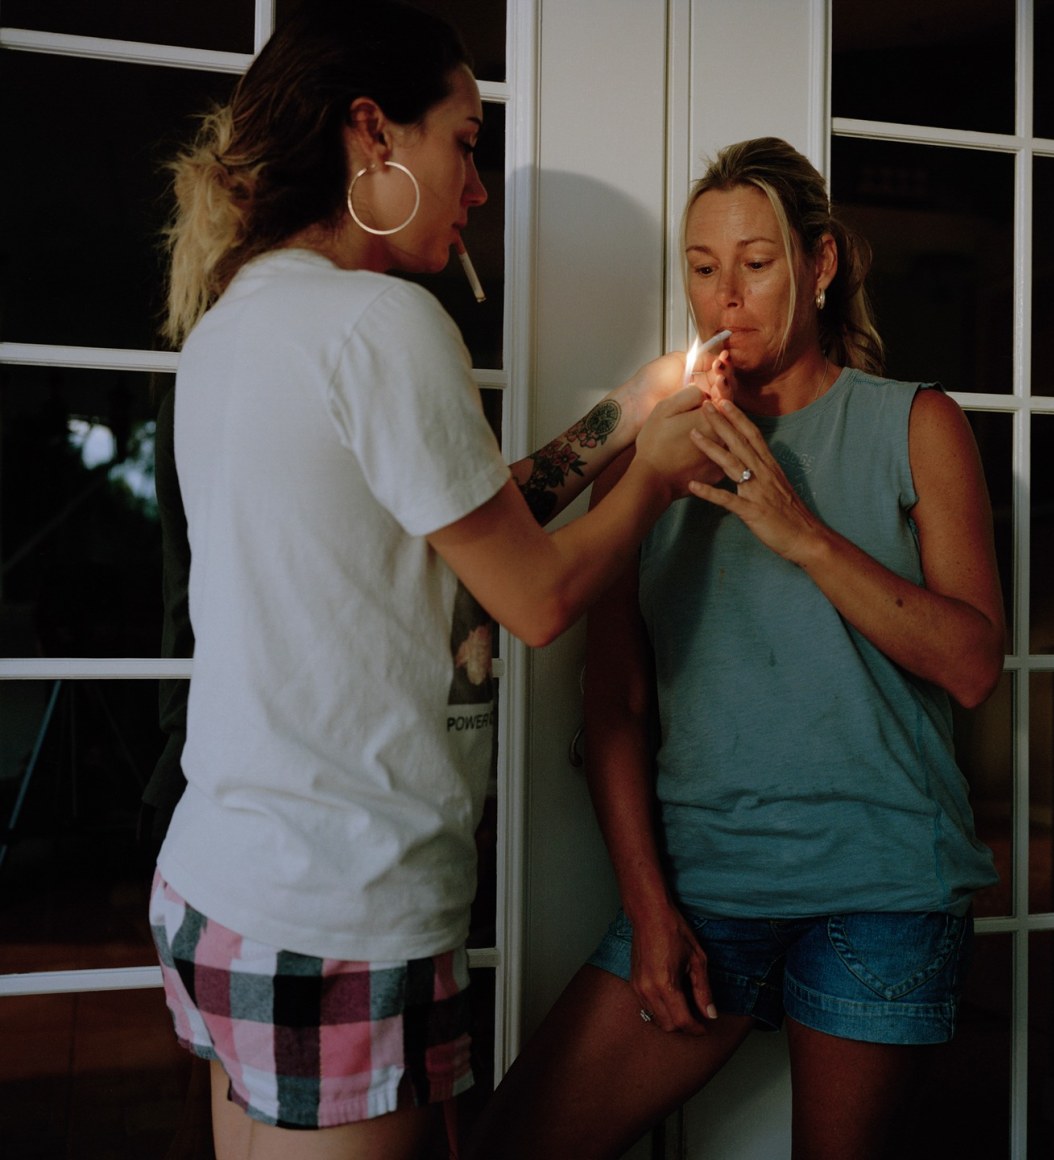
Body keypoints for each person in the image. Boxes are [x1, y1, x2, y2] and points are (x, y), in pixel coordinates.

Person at [146, 4, 716, 1158]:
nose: (479, 183)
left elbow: (447, 520)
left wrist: (625, 414)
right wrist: (651, 478)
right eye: (464, 139)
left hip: (225, 881)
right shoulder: (384, 324)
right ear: (372, 135)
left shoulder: (234, 319)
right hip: (339, 904)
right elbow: (534, 597)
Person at [467, 136, 1008, 1160]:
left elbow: (971, 663)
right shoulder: (648, 449)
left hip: (882, 890)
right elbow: (614, 701)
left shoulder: (916, 424)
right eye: (702, 266)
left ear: (819, 263)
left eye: (755, 264)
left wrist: (795, 527)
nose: (728, 296)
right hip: (706, 889)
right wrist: (646, 903)